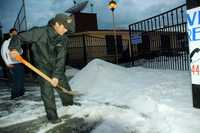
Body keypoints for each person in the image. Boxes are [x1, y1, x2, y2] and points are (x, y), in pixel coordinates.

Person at [9, 13, 74, 124]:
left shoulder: (64, 39)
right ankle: (52, 116)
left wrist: (56, 76)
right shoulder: (40, 32)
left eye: (68, 29)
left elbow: (61, 58)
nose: (66, 31)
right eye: (65, 27)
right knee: (47, 90)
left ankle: (69, 104)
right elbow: (19, 37)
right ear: (57, 24)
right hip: (42, 67)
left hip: (56, 67)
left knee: (64, 86)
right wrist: (14, 48)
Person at [1, 28, 25, 99]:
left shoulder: (17, 41)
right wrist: (7, 63)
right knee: (15, 80)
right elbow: (3, 53)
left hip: (19, 62)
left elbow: (21, 52)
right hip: (12, 63)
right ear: (10, 34)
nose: (15, 34)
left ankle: (21, 92)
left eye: (16, 33)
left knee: (20, 78)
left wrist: (19, 50)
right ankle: (15, 95)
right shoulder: (6, 42)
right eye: (13, 33)